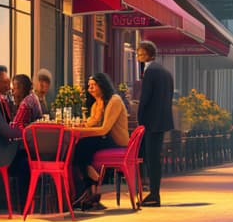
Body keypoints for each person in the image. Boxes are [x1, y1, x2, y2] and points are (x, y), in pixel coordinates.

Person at [72, 72, 128, 210]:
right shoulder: (97, 103)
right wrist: (82, 126)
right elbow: (92, 123)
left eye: (93, 85)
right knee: (80, 148)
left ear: (102, 85)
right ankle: (92, 191)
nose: (90, 89)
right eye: (89, 86)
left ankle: (91, 189)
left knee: (80, 148)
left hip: (116, 141)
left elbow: (103, 129)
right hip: (105, 138)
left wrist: (76, 130)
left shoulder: (114, 100)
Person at [135, 40, 173, 207]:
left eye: (141, 54)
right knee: (154, 157)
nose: (138, 57)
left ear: (149, 54)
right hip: (162, 119)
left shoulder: (150, 71)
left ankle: (154, 194)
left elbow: (145, 98)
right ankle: (154, 192)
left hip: (151, 121)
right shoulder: (165, 71)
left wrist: (140, 118)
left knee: (151, 158)